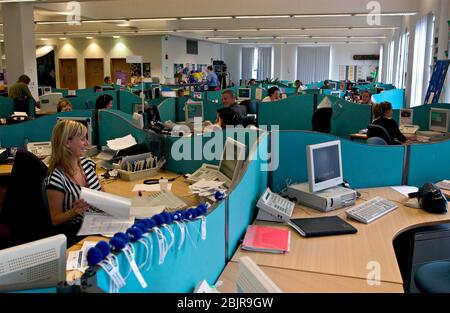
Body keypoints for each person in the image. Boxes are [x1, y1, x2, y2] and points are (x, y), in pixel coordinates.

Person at [45, 120, 103, 244]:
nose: (87, 143)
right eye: (82, 139)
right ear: (67, 143)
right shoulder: (56, 178)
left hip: (100, 224)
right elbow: (55, 220)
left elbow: (102, 193)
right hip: (78, 233)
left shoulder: (88, 164)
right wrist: (74, 212)